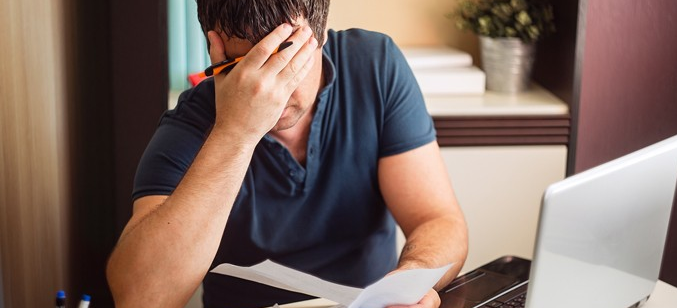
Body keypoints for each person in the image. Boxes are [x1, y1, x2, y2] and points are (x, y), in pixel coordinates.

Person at [106, 1, 468, 307]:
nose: (267, 88)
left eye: (287, 58)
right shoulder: (193, 122)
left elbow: (437, 220)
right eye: (239, 68)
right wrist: (235, 133)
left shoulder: (374, 65)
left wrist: (412, 280)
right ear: (213, 50)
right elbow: (139, 297)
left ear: (321, 34)